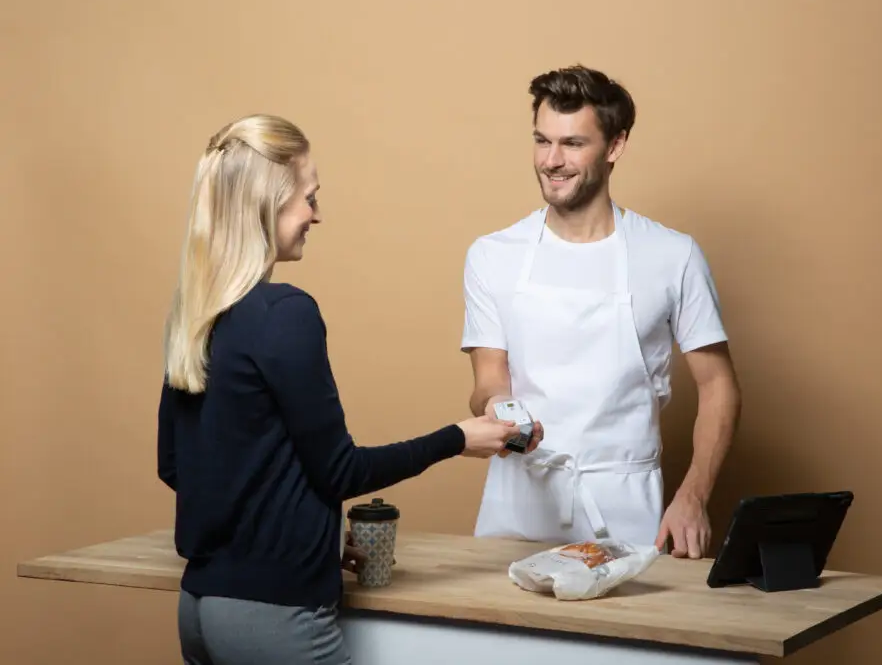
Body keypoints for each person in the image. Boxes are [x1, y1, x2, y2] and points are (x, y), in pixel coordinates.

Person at [157, 114, 534, 665]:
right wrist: (458, 438)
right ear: (267, 203)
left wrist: (310, 542)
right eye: (309, 198)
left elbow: (177, 466)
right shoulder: (286, 313)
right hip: (275, 618)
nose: (317, 214)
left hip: (197, 608)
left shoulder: (194, 316)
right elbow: (341, 472)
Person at [461, 65, 742, 559]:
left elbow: (719, 385)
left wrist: (694, 496)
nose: (552, 161)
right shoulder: (493, 254)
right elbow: (488, 379)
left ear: (615, 146)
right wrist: (502, 410)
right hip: (519, 500)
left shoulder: (672, 255)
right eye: (542, 141)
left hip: (626, 505)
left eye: (572, 144)